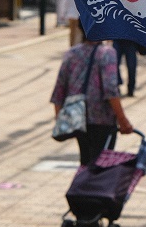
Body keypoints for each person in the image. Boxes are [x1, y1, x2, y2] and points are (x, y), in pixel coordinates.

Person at [50, 32, 134, 166]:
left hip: (79, 120)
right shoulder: (107, 53)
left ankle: (83, 184)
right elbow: (111, 90)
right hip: (103, 120)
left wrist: (60, 120)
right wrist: (123, 120)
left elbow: (59, 92)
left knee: (86, 160)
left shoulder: (71, 53)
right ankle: (89, 186)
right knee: (100, 166)